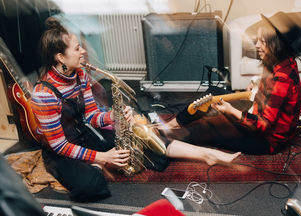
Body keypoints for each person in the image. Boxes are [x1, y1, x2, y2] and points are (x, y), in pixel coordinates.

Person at [31, 17, 240, 202]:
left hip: (86, 135)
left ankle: (208, 154)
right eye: (77, 48)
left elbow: (92, 116)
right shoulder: (44, 94)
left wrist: (113, 116)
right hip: (62, 151)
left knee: (145, 135)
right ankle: (96, 168)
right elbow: (59, 145)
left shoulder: (81, 75)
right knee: (92, 186)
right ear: (60, 57)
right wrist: (101, 158)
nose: (83, 51)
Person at [161, 12, 301, 155]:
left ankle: (161, 141)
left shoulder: (282, 80)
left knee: (207, 128)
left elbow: (263, 126)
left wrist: (230, 111)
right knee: (213, 93)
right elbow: (273, 88)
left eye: (262, 41)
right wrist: (256, 83)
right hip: (256, 114)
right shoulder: (281, 62)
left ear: (277, 45)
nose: (257, 45)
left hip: (267, 141)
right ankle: (174, 124)